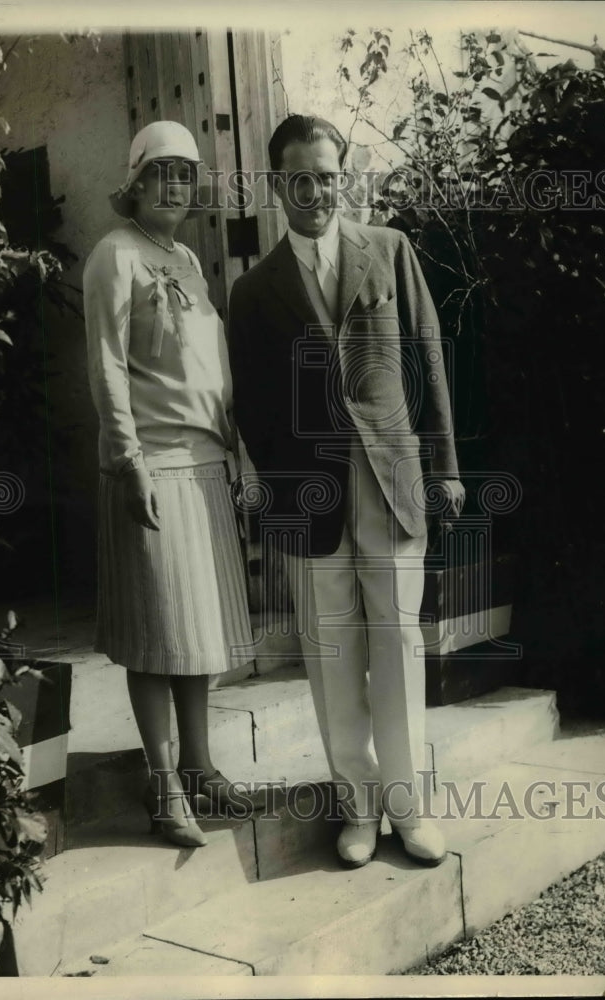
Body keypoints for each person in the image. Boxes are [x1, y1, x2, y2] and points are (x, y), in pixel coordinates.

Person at [228, 114, 465, 869]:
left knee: (397, 642)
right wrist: (280, 492)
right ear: (277, 186)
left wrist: (447, 465)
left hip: (392, 482)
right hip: (311, 498)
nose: (316, 191)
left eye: (327, 175)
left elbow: (428, 358)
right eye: (299, 177)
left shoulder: (389, 252)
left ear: (343, 176)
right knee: (333, 650)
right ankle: (357, 808)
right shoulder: (255, 290)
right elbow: (255, 409)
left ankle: (408, 807)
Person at [83, 120, 254, 848]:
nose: (177, 187)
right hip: (148, 464)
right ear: (137, 182)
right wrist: (127, 461)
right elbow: (108, 366)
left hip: (205, 463)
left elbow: (212, 376)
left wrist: (238, 453)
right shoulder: (112, 257)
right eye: (164, 174)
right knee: (156, 632)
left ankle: (203, 767)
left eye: (187, 174)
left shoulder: (186, 258)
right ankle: (163, 787)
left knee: (196, 632)